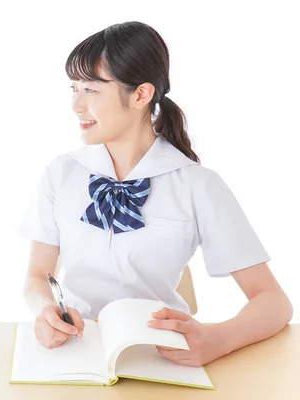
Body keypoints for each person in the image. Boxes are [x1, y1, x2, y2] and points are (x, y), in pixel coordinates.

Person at [17, 21, 293, 367]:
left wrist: (217, 339)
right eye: (74, 88)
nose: (76, 104)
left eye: (91, 90)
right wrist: (45, 311)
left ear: (141, 95)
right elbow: (36, 276)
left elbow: (273, 302)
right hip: (74, 352)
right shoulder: (60, 173)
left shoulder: (197, 185)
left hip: (162, 355)